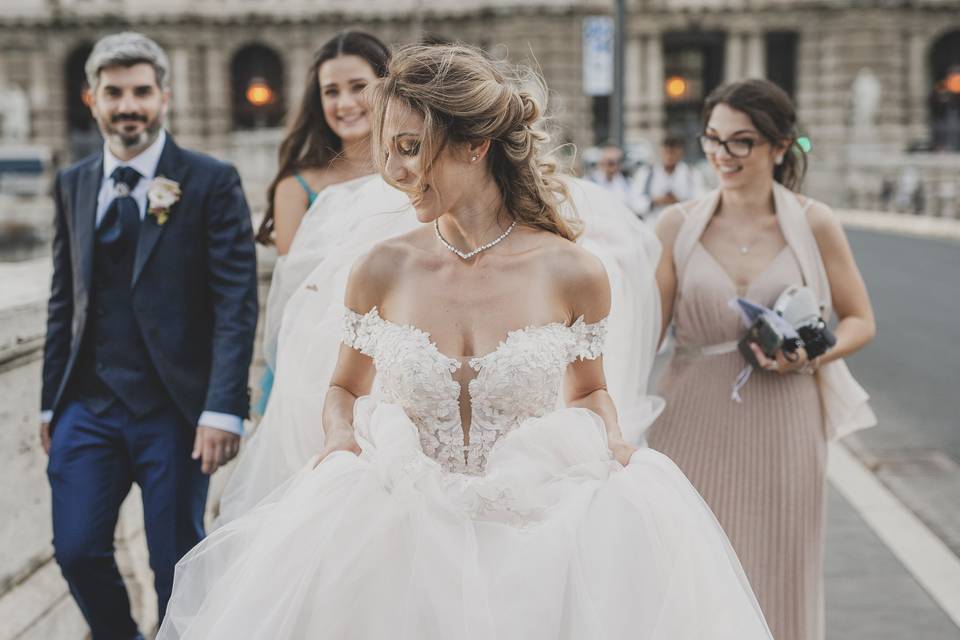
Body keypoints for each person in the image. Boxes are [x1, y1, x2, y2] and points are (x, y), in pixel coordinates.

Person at [159, 44, 771, 639]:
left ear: (476, 145)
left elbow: (589, 392)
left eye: (410, 149)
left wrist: (610, 439)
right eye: (387, 150)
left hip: (535, 531)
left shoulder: (574, 272)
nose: (394, 172)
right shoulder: (380, 269)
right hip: (399, 530)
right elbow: (345, 385)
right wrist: (341, 436)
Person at [40, 32, 258, 640]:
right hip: (87, 405)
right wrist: (48, 402)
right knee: (78, 550)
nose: (128, 105)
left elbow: (235, 302)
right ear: (92, 99)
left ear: (164, 96)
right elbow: (65, 299)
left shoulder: (211, 180)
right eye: (114, 93)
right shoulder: (73, 182)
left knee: (176, 567)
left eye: (141, 91)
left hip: (177, 411)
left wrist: (223, 407)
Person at [647, 79, 877, 640]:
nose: (722, 155)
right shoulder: (676, 226)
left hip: (788, 420)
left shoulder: (814, 222)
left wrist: (813, 353)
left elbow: (860, 320)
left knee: (781, 569)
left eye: (741, 142)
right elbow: (644, 337)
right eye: (713, 140)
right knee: (690, 575)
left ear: (780, 146)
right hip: (689, 421)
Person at [253, 31, 391, 416]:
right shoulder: (296, 187)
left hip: (407, 349)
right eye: (331, 91)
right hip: (318, 362)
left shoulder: (417, 171)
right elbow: (299, 292)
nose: (345, 103)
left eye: (359, 87)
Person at [632, 133, 705, 222]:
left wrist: (678, 201)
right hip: (652, 226)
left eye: (673, 152)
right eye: (666, 151)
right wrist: (655, 201)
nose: (669, 156)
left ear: (681, 152)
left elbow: (701, 203)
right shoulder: (646, 173)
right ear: (661, 151)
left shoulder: (691, 174)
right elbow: (634, 202)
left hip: (682, 226)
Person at [586, 142, 636, 210]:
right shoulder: (589, 182)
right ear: (601, 162)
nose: (614, 167)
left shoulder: (628, 183)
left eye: (617, 162)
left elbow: (636, 205)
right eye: (610, 163)